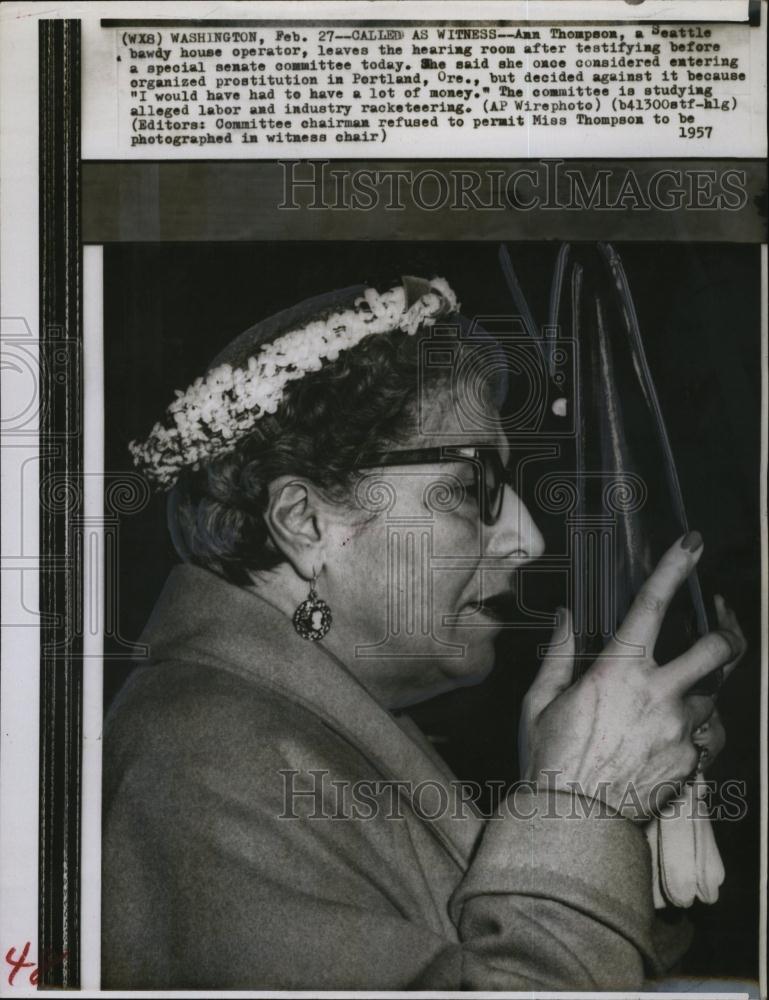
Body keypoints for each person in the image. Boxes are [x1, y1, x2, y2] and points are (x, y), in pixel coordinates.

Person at [102, 276, 744, 990]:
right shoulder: (201, 768)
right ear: (307, 522)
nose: (527, 538)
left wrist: (594, 806)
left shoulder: (304, 731)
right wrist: (579, 802)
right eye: (474, 487)